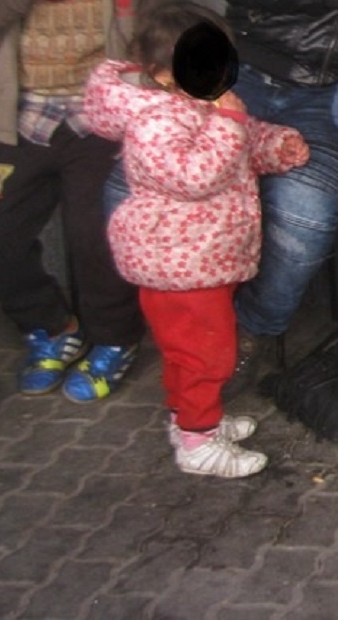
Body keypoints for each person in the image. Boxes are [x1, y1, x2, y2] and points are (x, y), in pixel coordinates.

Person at [83, 1, 309, 477]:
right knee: (207, 355)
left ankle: (189, 421)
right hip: (180, 266)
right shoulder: (155, 121)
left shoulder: (198, 100)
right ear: (162, 74)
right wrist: (229, 124)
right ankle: (198, 442)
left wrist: (276, 145)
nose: (222, 75)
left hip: (202, 258)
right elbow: (195, 175)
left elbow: (241, 142)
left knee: (188, 353)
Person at [0, 0, 156, 403]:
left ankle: (115, 338)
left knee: (97, 232)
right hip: (24, 121)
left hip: (102, 119)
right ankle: (53, 326)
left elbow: (163, 37)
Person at [206, 0, 338, 398]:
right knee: (139, 185)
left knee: (305, 216)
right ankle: (193, 325)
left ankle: (251, 328)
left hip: (325, 93)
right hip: (240, 64)